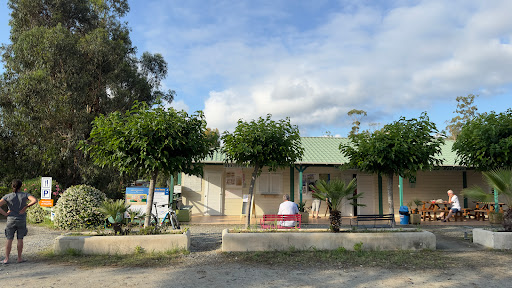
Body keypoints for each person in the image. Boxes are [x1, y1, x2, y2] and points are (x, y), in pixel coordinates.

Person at [0, 179, 37, 264]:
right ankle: (19, 258)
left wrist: (5, 214)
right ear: (21, 186)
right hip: (21, 219)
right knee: (20, 239)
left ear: (12, 186)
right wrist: (25, 207)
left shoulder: (8, 196)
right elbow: (34, 200)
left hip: (11, 219)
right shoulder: (25, 195)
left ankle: (6, 259)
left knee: (9, 239)